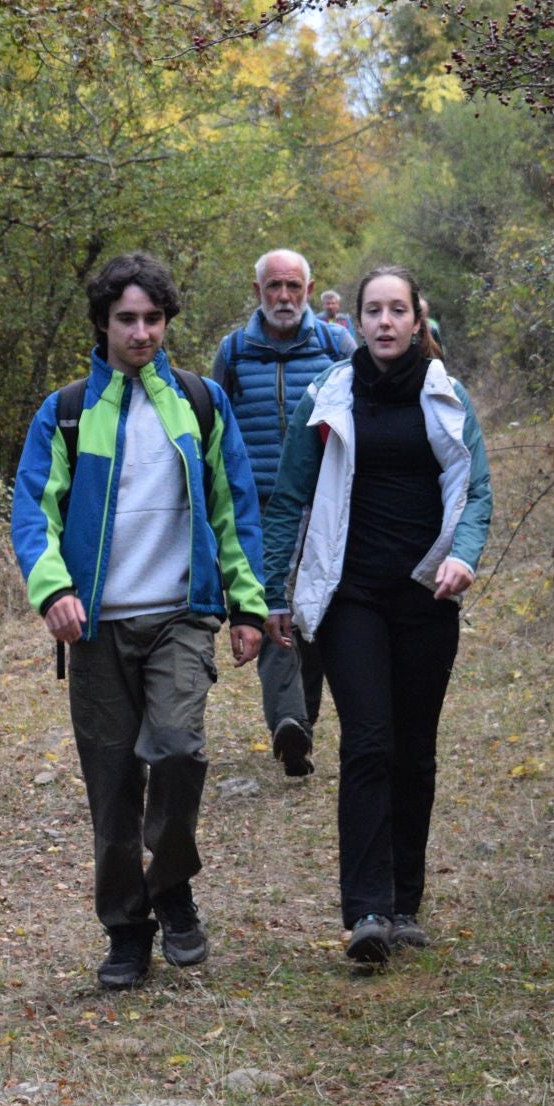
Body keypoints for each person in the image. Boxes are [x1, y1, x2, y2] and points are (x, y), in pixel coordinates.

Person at [12, 251, 267, 990]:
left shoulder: (199, 402)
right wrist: (52, 589)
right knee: (113, 789)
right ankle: (128, 930)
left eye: (153, 319)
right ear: (102, 324)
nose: (142, 332)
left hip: (180, 617)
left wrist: (246, 603)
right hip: (94, 631)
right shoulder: (64, 411)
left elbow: (233, 508)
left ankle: (172, 883)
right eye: (127, 319)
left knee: (181, 750)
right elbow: (33, 509)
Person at [260, 263, 492, 964]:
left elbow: (476, 491)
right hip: (350, 594)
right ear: (355, 322)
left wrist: (465, 556)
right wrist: (274, 592)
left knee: (414, 750)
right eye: (373, 311)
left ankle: (405, 902)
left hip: (426, 595)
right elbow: (289, 498)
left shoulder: (448, 396)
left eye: (398, 310)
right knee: (367, 743)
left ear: (418, 320)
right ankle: (365, 909)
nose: (385, 322)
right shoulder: (327, 395)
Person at [211, 249, 355, 779]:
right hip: (259, 511)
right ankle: (289, 723)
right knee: (271, 608)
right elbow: (216, 431)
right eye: (274, 287)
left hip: (326, 506)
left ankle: (303, 718)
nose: (284, 297)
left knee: (316, 615)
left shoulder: (336, 345)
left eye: (294, 286)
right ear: (257, 294)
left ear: (310, 290)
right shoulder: (233, 352)